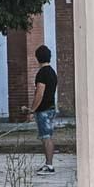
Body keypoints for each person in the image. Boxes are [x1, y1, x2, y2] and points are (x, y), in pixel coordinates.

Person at [24, 45, 58, 175]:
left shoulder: (42, 73)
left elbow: (39, 93)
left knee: (46, 137)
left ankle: (50, 166)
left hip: (43, 110)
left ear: (37, 58)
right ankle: (47, 163)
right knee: (47, 136)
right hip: (51, 108)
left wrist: (32, 110)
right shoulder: (52, 72)